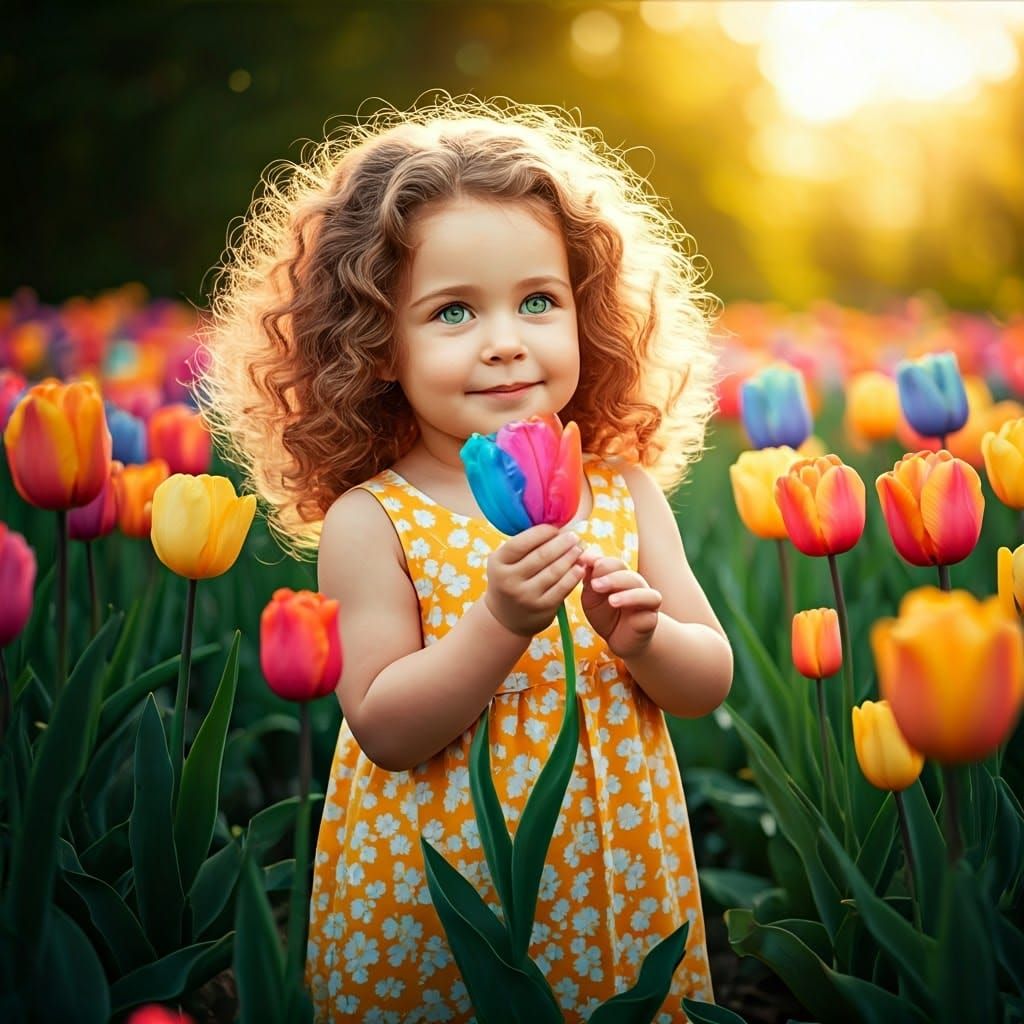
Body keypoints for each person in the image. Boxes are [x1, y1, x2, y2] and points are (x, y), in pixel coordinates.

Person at [199, 95, 733, 1024]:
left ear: (589, 313)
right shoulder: (375, 520)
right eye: (453, 311)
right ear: (372, 348)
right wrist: (500, 624)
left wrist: (646, 638)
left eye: (539, 301)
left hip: (610, 872)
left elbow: (707, 682)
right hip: (441, 885)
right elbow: (386, 727)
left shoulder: (624, 492)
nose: (505, 341)